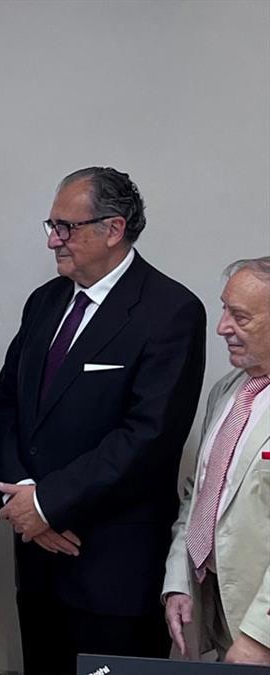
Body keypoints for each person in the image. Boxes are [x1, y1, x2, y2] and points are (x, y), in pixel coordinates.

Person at [0, 166, 207, 674]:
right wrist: (26, 501)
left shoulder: (170, 311)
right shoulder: (45, 302)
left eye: (67, 227)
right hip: (38, 559)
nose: (54, 242)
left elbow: (148, 438)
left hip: (113, 569)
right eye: (52, 226)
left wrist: (48, 504)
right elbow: (7, 407)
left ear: (113, 229)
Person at [164, 257, 270, 666]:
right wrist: (179, 582)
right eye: (225, 309)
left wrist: (260, 637)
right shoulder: (227, 390)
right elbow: (199, 495)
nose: (222, 326)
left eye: (240, 316)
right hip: (222, 618)